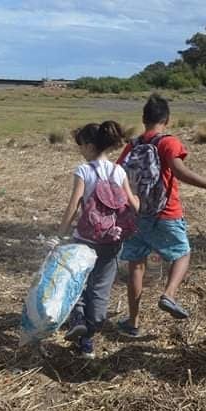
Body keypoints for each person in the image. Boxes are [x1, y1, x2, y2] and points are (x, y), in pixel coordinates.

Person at [116, 94, 206, 337]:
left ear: (144, 118)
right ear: (166, 119)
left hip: (136, 213)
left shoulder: (133, 144)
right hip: (165, 213)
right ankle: (169, 295)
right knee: (182, 254)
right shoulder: (168, 142)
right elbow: (179, 171)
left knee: (136, 265)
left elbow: (117, 175)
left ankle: (133, 322)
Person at [49, 121, 139, 358]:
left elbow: (74, 203)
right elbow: (133, 203)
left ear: (89, 145)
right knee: (99, 289)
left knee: (77, 281)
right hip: (111, 241)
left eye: (81, 146)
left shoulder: (84, 171)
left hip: (85, 239)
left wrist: (60, 233)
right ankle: (88, 337)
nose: (80, 150)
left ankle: (77, 316)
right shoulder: (118, 171)